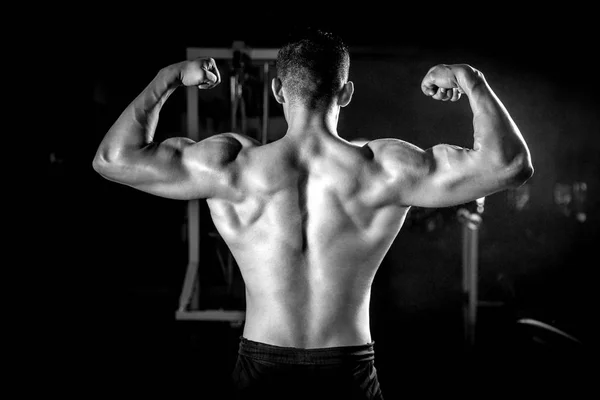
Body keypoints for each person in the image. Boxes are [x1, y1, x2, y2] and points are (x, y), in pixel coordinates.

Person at [93, 28, 533, 399]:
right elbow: (510, 164)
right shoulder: (385, 169)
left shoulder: (232, 167)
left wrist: (166, 79)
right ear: (346, 93)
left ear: (278, 89)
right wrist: (469, 79)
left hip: (261, 365)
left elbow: (112, 159)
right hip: (348, 369)